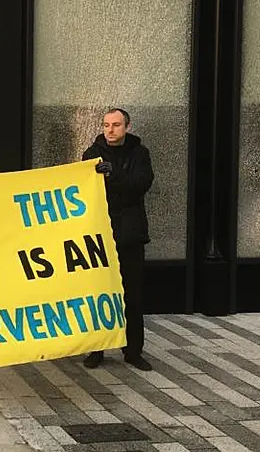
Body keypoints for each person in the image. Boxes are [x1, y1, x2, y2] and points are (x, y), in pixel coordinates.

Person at [81, 107, 154, 372]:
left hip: (131, 236)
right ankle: (96, 349)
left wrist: (113, 177)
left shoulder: (140, 154)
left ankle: (133, 351)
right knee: (98, 293)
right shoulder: (91, 154)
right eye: (106, 125)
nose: (110, 130)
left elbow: (140, 185)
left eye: (116, 125)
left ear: (127, 127)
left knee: (132, 295)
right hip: (101, 234)